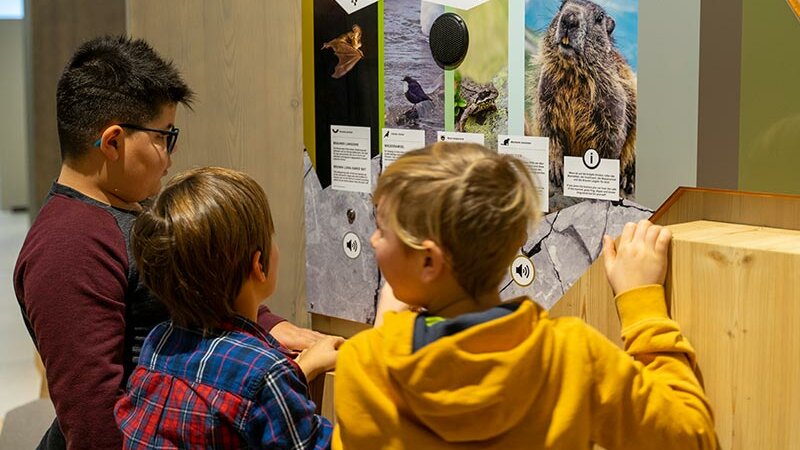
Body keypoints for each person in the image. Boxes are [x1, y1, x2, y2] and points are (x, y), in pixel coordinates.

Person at [13, 35, 321, 449]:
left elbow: (199, 291)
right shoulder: (68, 247)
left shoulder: (130, 207)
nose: (170, 156)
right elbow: (93, 424)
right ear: (113, 142)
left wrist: (273, 327)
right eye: (163, 137)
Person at [332, 142, 717, 449]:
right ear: (518, 240)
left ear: (429, 262)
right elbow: (691, 438)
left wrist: (387, 334)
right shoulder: (570, 357)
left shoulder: (363, 370)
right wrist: (642, 303)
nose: (373, 239)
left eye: (383, 229)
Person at [115, 167, 343, 448]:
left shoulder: (158, 342)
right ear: (259, 265)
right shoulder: (267, 375)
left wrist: (298, 370)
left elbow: (226, 391)